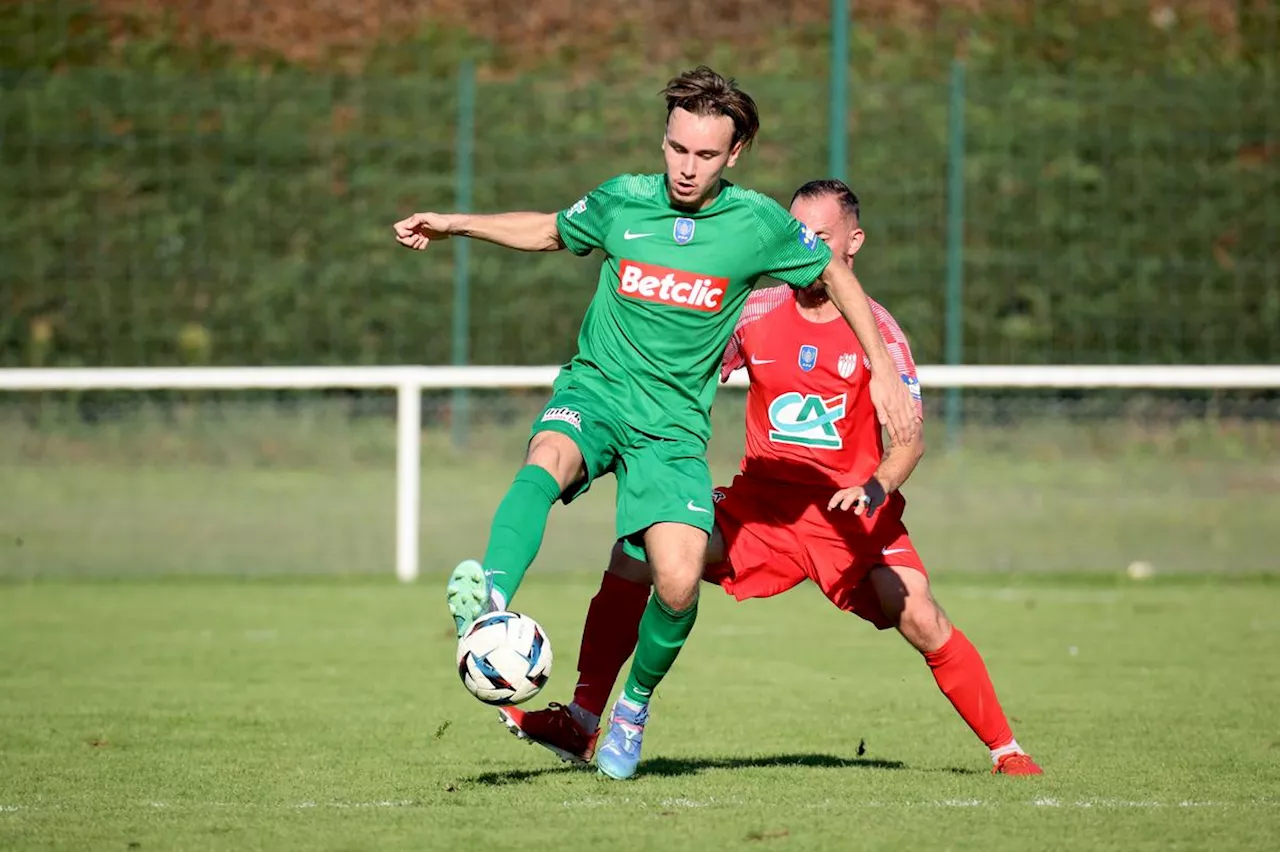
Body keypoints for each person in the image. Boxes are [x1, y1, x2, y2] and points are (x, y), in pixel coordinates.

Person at [394, 68, 921, 780]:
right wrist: (456, 223)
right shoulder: (623, 201)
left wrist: (881, 367)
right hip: (599, 390)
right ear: (664, 138)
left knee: (676, 581)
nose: (686, 167)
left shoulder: (758, 224)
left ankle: (632, 706)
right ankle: (488, 601)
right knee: (547, 457)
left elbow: (833, 276)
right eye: (677, 148)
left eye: (705, 155)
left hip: (671, 431)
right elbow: (551, 230)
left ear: (734, 155)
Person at [498, 179, 1043, 779]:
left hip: (848, 512)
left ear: (853, 241)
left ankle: (1008, 753)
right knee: (639, 551)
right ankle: (582, 720)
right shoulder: (755, 309)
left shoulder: (878, 333)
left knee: (919, 615)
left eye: (821, 237)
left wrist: (876, 488)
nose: (802, 246)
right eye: (797, 232)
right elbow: (689, 358)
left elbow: (909, 439)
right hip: (758, 510)